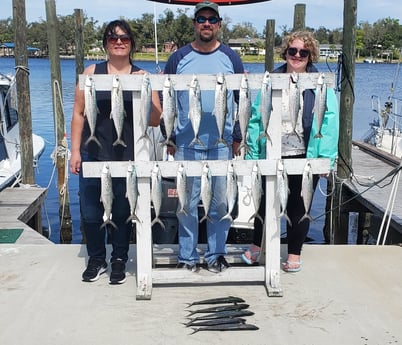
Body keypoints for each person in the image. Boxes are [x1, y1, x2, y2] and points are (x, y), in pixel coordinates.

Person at [70, 20, 162, 284]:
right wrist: (74, 151)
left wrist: (145, 88)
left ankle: (119, 258)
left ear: (132, 43)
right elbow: (78, 114)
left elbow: (156, 119)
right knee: (90, 211)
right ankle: (96, 258)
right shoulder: (91, 72)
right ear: (106, 43)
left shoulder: (143, 75)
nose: (118, 42)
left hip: (127, 155)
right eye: (113, 38)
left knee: (122, 210)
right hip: (92, 153)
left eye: (124, 38)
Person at [241, 31, 339, 272]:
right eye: (292, 51)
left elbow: (330, 121)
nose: (297, 56)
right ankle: (257, 245)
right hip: (272, 153)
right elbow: (255, 120)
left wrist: (325, 159)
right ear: (284, 52)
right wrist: (253, 153)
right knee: (264, 203)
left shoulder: (320, 84)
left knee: (299, 206)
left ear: (310, 56)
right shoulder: (270, 79)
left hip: (306, 155)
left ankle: (294, 252)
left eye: (303, 52)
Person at [163, 1, 244, 273]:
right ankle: (187, 257)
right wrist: (170, 137)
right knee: (186, 204)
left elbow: (240, 99)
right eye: (201, 19)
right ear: (195, 24)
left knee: (219, 204)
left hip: (220, 145)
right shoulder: (178, 58)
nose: (206, 23)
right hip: (186, 143)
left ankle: (216, 254)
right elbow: (168, 102)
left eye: (212, 19)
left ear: (219, 24)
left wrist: (237, 136)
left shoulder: (231, 57)